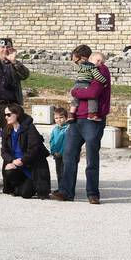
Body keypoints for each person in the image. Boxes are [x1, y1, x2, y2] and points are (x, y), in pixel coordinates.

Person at [53, 46, 111, 205]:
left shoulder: (101, 70)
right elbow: (83, 88)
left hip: (93, 120)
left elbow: (93, 93)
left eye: (77, 60)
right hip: (77, 119)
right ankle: (66, 191)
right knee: (69, 155)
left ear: (85, 58)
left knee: (92, 158)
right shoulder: (85, 70)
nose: (77, 64)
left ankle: (92, 193)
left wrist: (74, 92)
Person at [0, 103, 51, 199]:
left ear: (17, 114)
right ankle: (18, 187)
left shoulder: (30, 128)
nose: (6, 117)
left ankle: (32, 187)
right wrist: (12, 161)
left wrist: (22, 160)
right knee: (9, 171)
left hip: (30, 166)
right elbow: (4, 151)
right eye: (5, 115)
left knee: (25, 194)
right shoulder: (6, 129)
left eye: (9, 114)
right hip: (17, 165)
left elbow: (34, 149)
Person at [0, 37, 30, 107]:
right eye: (2, 47)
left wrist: (14, 61)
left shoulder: (15, 64)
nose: (5, 50)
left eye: (8, 47)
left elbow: (25, 75)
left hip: (12, 106)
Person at [47, 106, 69, 189]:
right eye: (56, 118)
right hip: (57, 154)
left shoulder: (68, 129)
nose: (58, 120)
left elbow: (67, 143)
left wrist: (62, 152)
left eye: (61, 117)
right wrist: (53, 151)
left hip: (65, 154)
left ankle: (65, 188)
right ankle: (60, 187)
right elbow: (52, 141)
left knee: (64, 172)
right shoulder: (55, 129)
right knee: (58, 172)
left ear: (66, 118)